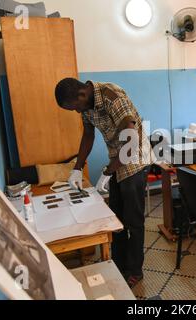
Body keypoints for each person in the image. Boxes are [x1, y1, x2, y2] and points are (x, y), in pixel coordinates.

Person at [54, 78, 153, 288]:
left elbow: (132, 142)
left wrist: (108, 171)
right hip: (118, 159)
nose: (75, 112)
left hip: (135, 159)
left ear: (82, 95)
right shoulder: (86, 106)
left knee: (133, 221)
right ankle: (118, 263)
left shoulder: (112, 97)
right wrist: (77, 167)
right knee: (115, 218)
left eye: (74, 107)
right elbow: (88, 135)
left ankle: (135, 271)